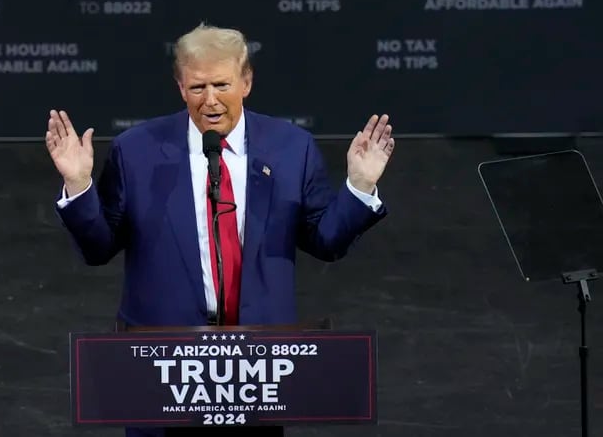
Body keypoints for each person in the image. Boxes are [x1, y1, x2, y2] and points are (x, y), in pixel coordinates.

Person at [46, 23, 395, 437]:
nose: (210, 100)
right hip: (164, 364)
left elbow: (326, 241)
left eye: (222, 84)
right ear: (180, 87)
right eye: (197, 87)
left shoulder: (290, 148)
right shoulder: (136, 150)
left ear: (246, 82)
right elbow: (99, 247)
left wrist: (360, 186)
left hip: (255, 368)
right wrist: (78, 185)